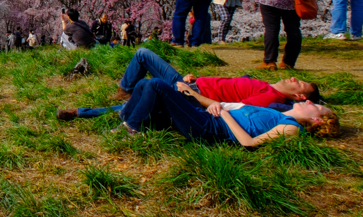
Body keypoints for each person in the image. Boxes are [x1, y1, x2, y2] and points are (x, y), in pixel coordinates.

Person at [55, 47, 321, 120]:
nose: (294, 78)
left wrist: (193, 94)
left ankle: (82, 112)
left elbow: (230, 107)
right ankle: (125, 91)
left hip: (191, 96)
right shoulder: (263, 84)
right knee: (143, 56)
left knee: (142, 96)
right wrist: (196, 79)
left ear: (298, 98)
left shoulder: (267, 99)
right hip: (191, 84)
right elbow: (226, 85)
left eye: (300, 84)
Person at [114, 77, 339, 146]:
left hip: (210, 129)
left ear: (317, 121)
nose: (310, 104)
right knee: (145, 84)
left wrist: (224, 114)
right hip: (209, 116)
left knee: (156, 86)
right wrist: (213, 104)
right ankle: (125, 120)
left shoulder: (292, 128)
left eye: (315, 107)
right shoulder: (279, 112)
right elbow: (238, 107)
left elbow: (249, 143)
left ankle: (132, 129)